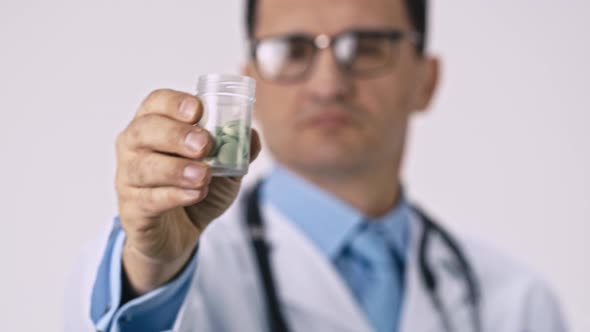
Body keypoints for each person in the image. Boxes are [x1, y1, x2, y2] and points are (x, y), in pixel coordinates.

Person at [66, 0, 568, 331]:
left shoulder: (515, 303)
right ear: (252, 83)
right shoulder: (163, 270)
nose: (328, 85)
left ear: (426, 79)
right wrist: (152, 273)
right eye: (292, 50)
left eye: (366, 47)